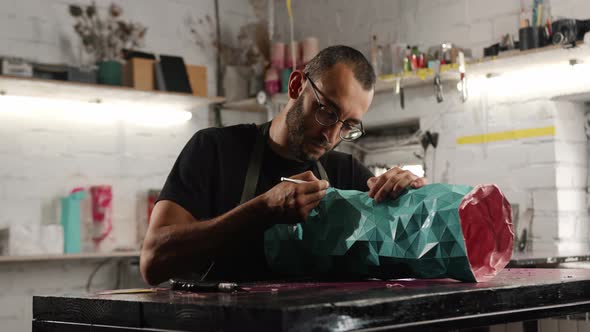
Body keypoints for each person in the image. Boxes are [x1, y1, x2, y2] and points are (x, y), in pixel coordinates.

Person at [140, 45, 427, 285]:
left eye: (347, 126)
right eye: (327, 111)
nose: (331, 135)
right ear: (295, 85)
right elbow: (153, 263)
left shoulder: (346, 172)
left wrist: (410, 196)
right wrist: (261, 211)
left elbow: (409, 249)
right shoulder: (214, 150)